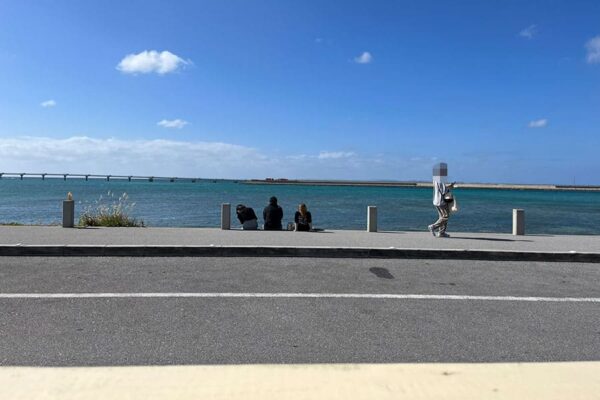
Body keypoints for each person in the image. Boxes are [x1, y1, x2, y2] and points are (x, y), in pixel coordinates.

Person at [428, 162, 456, 238]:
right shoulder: (441, 179)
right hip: (441, 201)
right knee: (445, 217)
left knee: (442, 217)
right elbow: (444, 190)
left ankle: (441, 233)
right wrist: (451, 187)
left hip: (436, 200)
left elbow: (440, 188)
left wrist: (449, 186)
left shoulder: (435, 179)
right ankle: (433, 227)